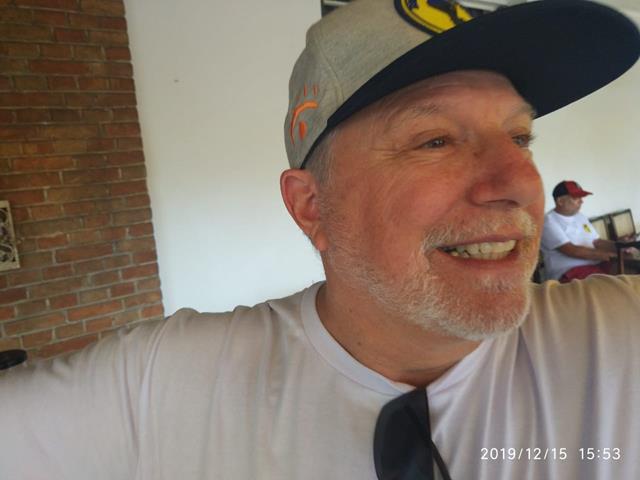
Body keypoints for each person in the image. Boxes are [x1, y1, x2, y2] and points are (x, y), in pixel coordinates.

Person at [1, 1, 640, 479]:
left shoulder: (618, 339)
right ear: (311, 207)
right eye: (435, 141)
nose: (520, 182)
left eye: (520, 137)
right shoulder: (160, 387)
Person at [541, 180, 617, 282]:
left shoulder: (580, 216)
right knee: (614, 284)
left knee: (629, 271)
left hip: (595, 264)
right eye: (576, 198)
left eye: (581, 197)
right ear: (560, 201)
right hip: (570, 271)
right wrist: (609, 256)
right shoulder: (548, 221)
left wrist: (620, 247)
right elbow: (572, 250)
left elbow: (596, 242)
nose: (581, 201)